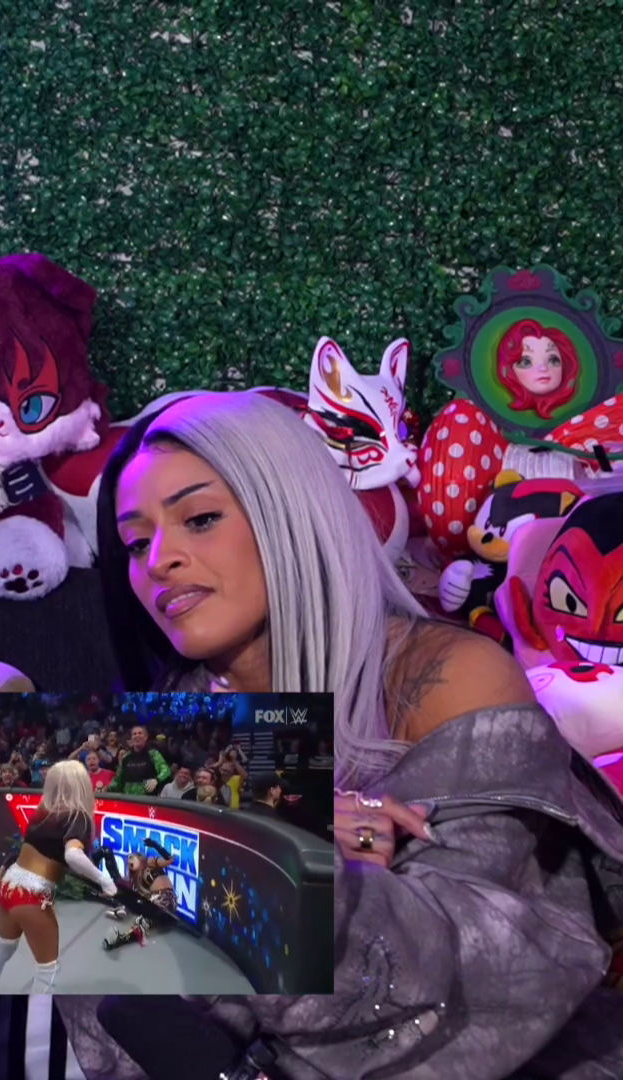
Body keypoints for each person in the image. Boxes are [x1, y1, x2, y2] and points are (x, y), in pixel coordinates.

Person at [64, 391, 623, 1080]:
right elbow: (113, 1014)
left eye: (200, 518)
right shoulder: (160, 729)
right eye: (135, 542)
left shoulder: (446, 677)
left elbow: (474, 987)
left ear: (293, 512)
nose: (158, 560)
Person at [0, 761, 116, 993]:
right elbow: (73, 855)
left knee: (1, 951)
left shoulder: (42, 813)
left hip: (8, 886)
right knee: (47, 970)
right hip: (32, 893)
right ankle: (35, 1014)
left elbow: (29, 847)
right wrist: (104, 880)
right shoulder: (77, 816)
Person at [109, 724, 170, 795]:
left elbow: (166, 770)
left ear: (146, 737)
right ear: (131, 738)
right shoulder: (126, 757)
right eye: (134, 734)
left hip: (147, 799)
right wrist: (106, 788)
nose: (137, 736)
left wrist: (156, 780)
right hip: (128, 798)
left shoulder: (153, 754)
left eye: (140, 733)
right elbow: (118, 781)